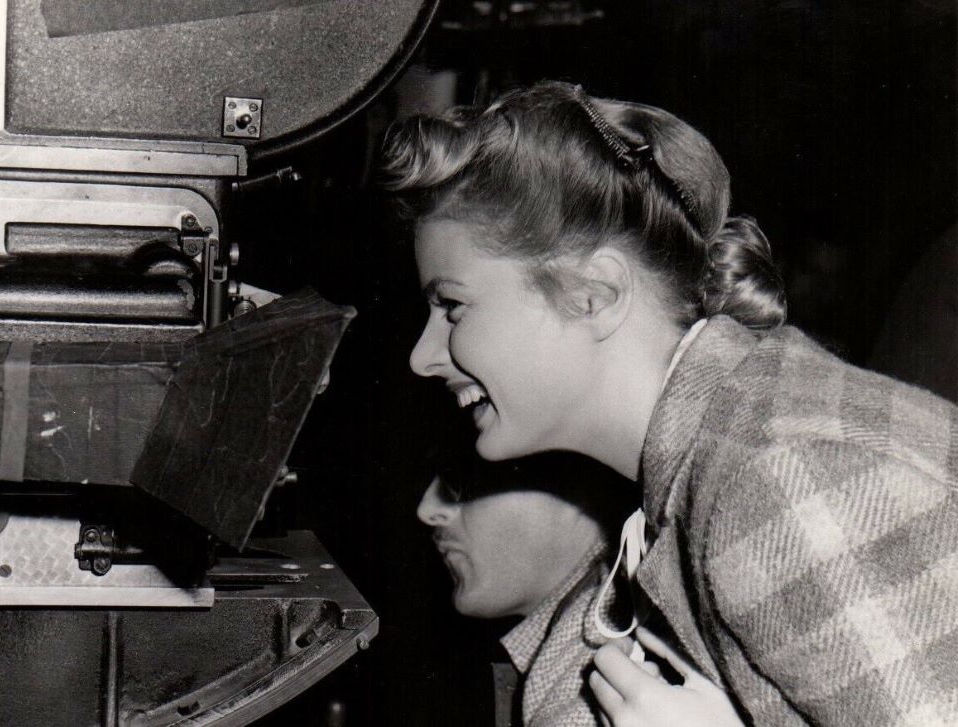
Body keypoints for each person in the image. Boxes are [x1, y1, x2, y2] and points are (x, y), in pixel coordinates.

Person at [382, 80, 958, 725]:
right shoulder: (711, 458)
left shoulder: (773, 476)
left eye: (453, 306)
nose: (423, 356)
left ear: (593, 294)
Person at [417, 446, 636, 726]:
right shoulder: (567, 653)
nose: (427, 510)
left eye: (460, 479)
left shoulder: (598, 678)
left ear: (573, 484)